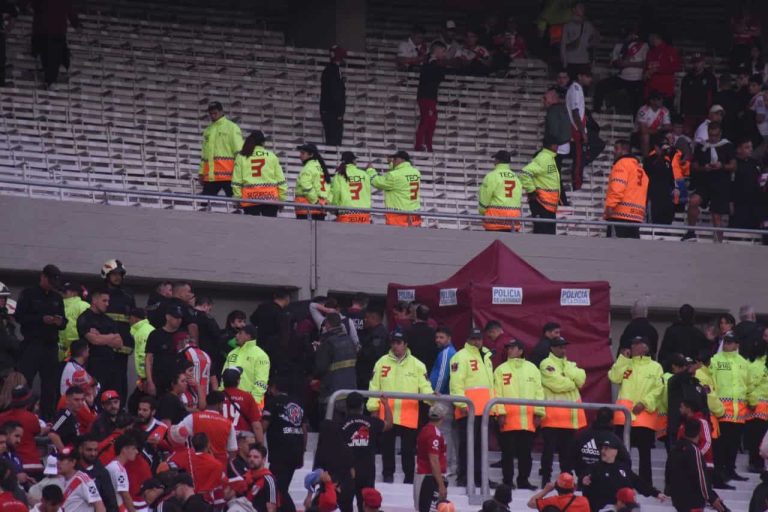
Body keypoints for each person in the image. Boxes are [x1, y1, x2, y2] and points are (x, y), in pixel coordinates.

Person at [367, 331, 432, 484]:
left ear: (405, 344)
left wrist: (431, 397)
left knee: (408, 450)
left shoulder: (417, 365)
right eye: (393, 342)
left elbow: (425, 386)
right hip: (387, 413)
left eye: (398, 342)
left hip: (408, 414)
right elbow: (374, 387)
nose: (395, 346)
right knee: (386, 447)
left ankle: (409, 477)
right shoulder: (381, 362)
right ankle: (387, 474)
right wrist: (373, 408)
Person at [608, 336, 664, 486]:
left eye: (638, 344)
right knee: (620, 453)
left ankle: (646, 485)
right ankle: (620, 482)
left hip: (644, 418)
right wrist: (622, 359)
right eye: (633, 344)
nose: (634, 347)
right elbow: (614, 377)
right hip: (623, 418)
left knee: (644, 455)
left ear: (646, 347)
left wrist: (645, 403)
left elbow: (659, 390)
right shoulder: (626, 363)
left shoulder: (655, 367)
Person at [14, 264, 65, 419]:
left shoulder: (57, 298)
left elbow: (64, 322)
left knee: (50, 385)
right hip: (32, 344)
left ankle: (47, 417)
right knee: (25, 380)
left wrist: (59, 322)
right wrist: (41, 320)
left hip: (50, 346)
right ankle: (23, 414)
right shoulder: (29, 294)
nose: (51, 286)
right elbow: (20, 317)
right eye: (50, 281)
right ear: (43, 277)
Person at [494, 339, 544, 490]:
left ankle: (523, 480)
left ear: (521, 351)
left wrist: (539, 412)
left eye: (513, 348)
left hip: (528, 420)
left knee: (525, 454)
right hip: (508, 419)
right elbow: (496, 393)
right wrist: (500, 413)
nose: (509, 350)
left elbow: (539, 392)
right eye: (508, 347)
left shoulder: (532, 369)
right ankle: (508, 481)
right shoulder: (500, 369)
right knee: (507, 453)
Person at [538, 337, 586, 487]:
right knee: (549, 452)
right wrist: (572, 382)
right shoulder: (546, 363)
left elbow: (582, 378)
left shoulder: (570, 364)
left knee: (567, 454)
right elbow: (556, 384)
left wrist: (569, 376)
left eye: (564, 347)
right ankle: (545, 480)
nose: (563, 349)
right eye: (559, 347)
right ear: (552, 348)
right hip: (552, 416)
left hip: (569, 418)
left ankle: (567, 481)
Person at [449, 328, 494, 488]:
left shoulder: (486, 355)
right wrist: (462, 404)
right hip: (468, 409)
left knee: (481, 447)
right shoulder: (460, 356)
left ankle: (481, 478)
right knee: (466, 446)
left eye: (479, 339)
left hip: (485, 409)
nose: (477, 342)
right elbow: (456, 384)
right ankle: (464, 477)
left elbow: (490, 384)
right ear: (468, 339)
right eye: (473, 339)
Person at [338, 392, 391, 512]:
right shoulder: (371, 422)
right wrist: (386, 405)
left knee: (345, 507)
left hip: (347, 473)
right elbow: (389, 424)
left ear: (346, 406)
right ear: (362, 406)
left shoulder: (339, 424)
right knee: (368, 506)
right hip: (366, 473)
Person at [683, 122, 736, 242]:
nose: (713, 138)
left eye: (716, 135)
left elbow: (733, 166)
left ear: (720, 134)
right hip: (705, 183)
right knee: (693, 201)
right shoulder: (701, 147)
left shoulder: (727, 146)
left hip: (721, 185)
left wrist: (721, 166)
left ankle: (718, 243)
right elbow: (694, 166)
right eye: (711, 135)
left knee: (717, 216)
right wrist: (704, 168)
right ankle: (691, 232)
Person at [77, 288, 133, 398]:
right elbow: (94, 340)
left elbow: (119, 343)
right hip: (92, 365)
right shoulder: (85, 318)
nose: (107, 304)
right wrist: (110, 337)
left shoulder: (109, 320)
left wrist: (101, 336)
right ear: (94, 300)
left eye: (108, 301)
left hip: (110, 365)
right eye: (104, 301)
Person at [583, 438, 666, 511]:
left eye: (606, 449)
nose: (603, 451)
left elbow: (638, 482)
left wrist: (656, 493)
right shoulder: (595, 468)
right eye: (602, 449)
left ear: (615, 451)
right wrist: (584, 482)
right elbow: (584, 482)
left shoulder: (623, 468)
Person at [711, 332, 750, 483]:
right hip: (721, 410)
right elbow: (712, 383)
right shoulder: (715, 360)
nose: (728, 344)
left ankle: (730, 470)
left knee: (734, 443)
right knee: (721, 443)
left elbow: (748, 385)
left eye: (731, 342)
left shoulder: (743, 363)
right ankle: (720, 470)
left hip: (739, 412)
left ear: (737, 344)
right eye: (726, 341)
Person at [262, 381, 306, 512]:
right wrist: (303, 452)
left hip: (280, 452)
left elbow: (263, 426)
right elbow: (304, 429)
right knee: (281, 487)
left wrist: (256, 441)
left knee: (276, 488)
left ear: (274, 387)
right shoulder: (299, 403)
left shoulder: (272, 402)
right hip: (296, 451)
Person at [666, 419, 727, 512]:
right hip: (693, 500)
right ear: (699, 432)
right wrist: (711, 498)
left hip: (677, 498)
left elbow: (668, 472)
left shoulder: (675, 449)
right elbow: (701, 477)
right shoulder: (694, 451)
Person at [593, 25, 648, 114]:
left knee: (637, 99)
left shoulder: (643, 45)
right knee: (601, 86)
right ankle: (596, 112)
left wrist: (629, 64)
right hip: (622, 77)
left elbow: (645, 63)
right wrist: (620, 63)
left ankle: (637, 121)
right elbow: (614, 62)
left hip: (637, 79)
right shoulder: (619, 46)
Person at [171, 391, 237, 465]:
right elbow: (232, 451)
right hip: (220, 467)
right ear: (220, 404)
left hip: (197, 464)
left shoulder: (193, 417)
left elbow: (175, 434)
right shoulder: (228, 424)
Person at [231, 130, 286, 217]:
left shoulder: (242, 156)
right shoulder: (272, 156)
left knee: (252, 229)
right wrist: (282, 200)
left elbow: (236, 181)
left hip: (249, 200)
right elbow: (281, 181)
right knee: (269, 229)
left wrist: (237, 199)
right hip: (270, 200)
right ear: (263, 143)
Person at [313, 313, 357, 417]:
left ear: (327, 324)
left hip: (332, 393)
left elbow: (320, 368)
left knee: (332, 428)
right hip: (350, 392)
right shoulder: (349, 340)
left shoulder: (328, 342)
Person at [571, 406, 630, 484]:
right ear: (612, 421)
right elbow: (626, 462)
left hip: (584, 481)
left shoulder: (582, 436)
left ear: (595, 418)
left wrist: (581, 475)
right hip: (606, 483)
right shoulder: (614, 439)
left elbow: (571, 457)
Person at [31, 0, 81, 89]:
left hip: (53, 32)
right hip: (48, 32)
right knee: (51, 55)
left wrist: (76, 24)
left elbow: (70, 10)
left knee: (53, 55)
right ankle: (51, 80)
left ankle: (53, 79)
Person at [604, 140, 648, 238]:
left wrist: (610, 207)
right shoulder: (640, 169)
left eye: (616, 148)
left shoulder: (621, 164)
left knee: (614, 250)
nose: (614, 151)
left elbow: (617, 186)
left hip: (620, 214)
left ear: (624, 150)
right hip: (636, 216)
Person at [198, 102, 243, 198]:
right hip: (211, 177)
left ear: (221, 112)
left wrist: (240, 172)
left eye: (215, 113)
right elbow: (204, 155)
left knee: (238, 203)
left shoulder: (232, 128)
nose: (213, 116)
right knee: (204, 203)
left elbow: (239, 152)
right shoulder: (208, 130)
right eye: (211, 114)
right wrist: (201, 173)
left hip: (229, 176)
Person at [368, 151, 422, 227]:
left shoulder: (394, 175)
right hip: (415, 214)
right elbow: (399, 175)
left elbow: (377, 182)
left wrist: (370, 170)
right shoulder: (416, 172)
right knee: (414, 237)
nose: (393, 160)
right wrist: (391, 164)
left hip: (398, 216)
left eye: (395, 159)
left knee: (396, 238)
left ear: (402, 160)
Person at [519, 139, 561, 234]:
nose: (558, 146)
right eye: (556, 143)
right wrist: (532, 191)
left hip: (548, 205)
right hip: (541, 203)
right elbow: (525, 173)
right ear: (551, 145)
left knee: (548, 235)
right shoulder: (543, 158)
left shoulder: (550, 158)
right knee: (542, 235)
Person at [414, 402, 450, 512]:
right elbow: (433, 460)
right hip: (429, 478)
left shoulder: (426, 429)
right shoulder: (434, 434)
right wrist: (441, 485)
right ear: (443, 417)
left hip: (427, 476)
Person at [223, 325, 270, 407]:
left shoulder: (261, 355)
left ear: (248, 336)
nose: (236, 335)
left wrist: (253, 402)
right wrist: (221, 395)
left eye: (240, 333)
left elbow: (261, 382)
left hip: (250, 402)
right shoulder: (232, 353)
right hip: (229, 400)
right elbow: (223, 377)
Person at [0, 386, 42, 475]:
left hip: (10, 464)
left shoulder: (2, 417)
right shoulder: (31, 418)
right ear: (28, 402)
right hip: (31, 464)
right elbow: (38, 432)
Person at [144, 304, 184, 397]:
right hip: (159, 380)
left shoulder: (183, 336)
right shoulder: (155, 335)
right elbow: (148, 359)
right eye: (175, 317)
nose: (179, 320)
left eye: (180, 318)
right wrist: (150, 381)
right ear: (167, 317)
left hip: (177, 382)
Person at [414, 41, 446, 153]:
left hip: (430, 96)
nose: (444, 54)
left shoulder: (434, 63)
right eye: (442, 51)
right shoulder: (429, 62)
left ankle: (428, 145)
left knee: (431, 120)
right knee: (426, 120)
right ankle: (419, 145)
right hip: (426, 96)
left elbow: (440, 77)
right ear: (437, 51)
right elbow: (435, 76)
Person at [478, 150, 522, 232]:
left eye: (495, 160)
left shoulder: (491, 176)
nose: (494, 162)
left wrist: (483, 213)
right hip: (513, 221)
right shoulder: (516, 177)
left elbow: (484, 199)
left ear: (498, 161)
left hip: (495, 220)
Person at [543, 87, 573, 205]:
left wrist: (552, 145)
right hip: (562, 146)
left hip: (556, 148)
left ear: (551, 99)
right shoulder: (562, 109)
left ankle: (561, 201)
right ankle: (560, 200)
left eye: (545, 98)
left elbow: (553, 131)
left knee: (554, 176)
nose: (543, 101)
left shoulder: (553, 110)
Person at [566, 70, 592, 191]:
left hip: (577, 127)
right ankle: (576, 184)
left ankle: (577, 182)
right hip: (576, 128)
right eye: (587, 76)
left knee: (580, 156)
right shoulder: (575, 89)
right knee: (578, 157)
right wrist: (582, 132)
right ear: (579, 75)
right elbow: (575, 112)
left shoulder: (577, 88)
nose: (589, 80)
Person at [78, 434, 119, 512]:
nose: (93, 454)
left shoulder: (102, 473)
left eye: (95, 450)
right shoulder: (72, 469)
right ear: (80, 449)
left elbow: (110, 502)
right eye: (89, 450)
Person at [643, 133, 678, 225]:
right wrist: (659, 156)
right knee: (653, 222)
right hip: (653, 196)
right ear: (656, 147)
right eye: (661, 147)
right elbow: (648, 171)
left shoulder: (667, 161)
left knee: (667, 220)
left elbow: (671, 177)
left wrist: (674, 187)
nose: (663, 149)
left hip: (666, 196)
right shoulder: (649, 160)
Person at [57, 447, 106, 512]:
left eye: (62, 460)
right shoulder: (60, 480)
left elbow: (99, 506)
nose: (58, 462)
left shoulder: (83, 479)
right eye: (58, 459)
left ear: (73, 462)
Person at [329, 152, 373, 224]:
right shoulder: (364, 174)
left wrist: (334, 208)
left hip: (346, 213)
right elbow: (368, 192)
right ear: (353, 161)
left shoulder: (339, 175)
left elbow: (336, 193)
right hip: (363, 214)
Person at [220, 369, 263, 442]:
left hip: (222, 436)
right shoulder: (247, 397)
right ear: (238, 381)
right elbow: (256, 425)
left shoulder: (217, 396)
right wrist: (260, 445)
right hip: (242, 440)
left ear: (223, 381)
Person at [681, 53, 718, 136]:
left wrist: (712, 112)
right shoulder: (687, 78)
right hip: (690, 113)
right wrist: (682, 111)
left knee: (702, 137)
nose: (697, 64)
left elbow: (714, 96)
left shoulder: (710, 78)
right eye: (694, 62)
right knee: (688, 137)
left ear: (703, 63)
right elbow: (683, 96)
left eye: (699, 62)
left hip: (704, 113)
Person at [559, 2, 598, 78]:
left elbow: (594, 41)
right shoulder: (567, 25)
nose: (582, 9)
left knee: (584, 85)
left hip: (584, 60)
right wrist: (564, 61)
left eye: (583, 8)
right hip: (571, 61)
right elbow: (563, 44)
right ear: (574, 10)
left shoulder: (589, 25)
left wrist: (592, 60)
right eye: (579, 8)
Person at [732, 139, 764, 229]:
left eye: (751, 147)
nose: (750, 149)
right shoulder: (733, 164)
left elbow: (760, 179)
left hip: (754, 203)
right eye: (747, 147)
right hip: (739, 203)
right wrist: (730, 202)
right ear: (738, 149)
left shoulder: (755, 163)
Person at [294, 143, 330, 220]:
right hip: (320, 209)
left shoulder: (308, 168)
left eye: (303, 153)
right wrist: (324, 203)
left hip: (307, 209)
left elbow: (306, 186)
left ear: (311, 154)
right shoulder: (321, 168)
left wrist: (315, 202)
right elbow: (328, 187)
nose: (300, 155)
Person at [644, 33, 681, 107]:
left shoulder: (669, 50)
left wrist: (657, 70)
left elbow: (676, 67)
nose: (649, 40)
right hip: (651, 89)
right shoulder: (650, 52)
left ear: (655, 37)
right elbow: (647, 67)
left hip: (665, 90)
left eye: (650, 38)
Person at [320, 45, 347, 146]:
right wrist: (339, 112)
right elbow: (335, 93)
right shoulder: (333, 71)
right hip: (332, 113)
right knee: (333, 141)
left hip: (329, 111)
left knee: (331, 140)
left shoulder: (330, 70)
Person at [357, 308, 388, 390]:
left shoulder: (378, 334)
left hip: (370, 373)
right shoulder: (372, 331)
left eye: (367, 318)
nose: (365, 320)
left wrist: (359, 352)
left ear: (374, 318)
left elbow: (374, 352)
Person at [105, 434, 138, 512]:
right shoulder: (118, 470)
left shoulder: (113, 466)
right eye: (134, 448)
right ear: (124, 449)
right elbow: (125, 495)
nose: (136, 452)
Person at [58, 281, 89, 362]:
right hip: (58, 350)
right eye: (62, 291)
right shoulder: (58, 305)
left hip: (76, 351)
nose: (62, 293)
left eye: (65, 291)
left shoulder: (83, 306)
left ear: (74, 293)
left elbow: (87, 328)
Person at [634, 91, 672, 158]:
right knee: (646, 136)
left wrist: (655, 130)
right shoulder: (643, 110)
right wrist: (659, 129)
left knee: (670, 136)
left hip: (657, 134)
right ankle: (646, 159)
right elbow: (643, 130)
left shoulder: (665, 110)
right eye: (659, 99)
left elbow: (668, 127)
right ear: (652, 101)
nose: (662, 101)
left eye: (662, 99)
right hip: (639, 135)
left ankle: (668, 159)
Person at [48, 386, 85, 450]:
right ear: (67, 400)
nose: (80, 403)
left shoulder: (73, 416)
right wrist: (64, 453)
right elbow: (52, 434)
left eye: (82, 400)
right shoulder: (64, 416)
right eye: (76, 400)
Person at [405, 305, 437, 373]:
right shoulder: (433, 333)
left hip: (410, 369)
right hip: (427, 369)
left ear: (416, 315)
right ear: (428, 317)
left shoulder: (408, 331)